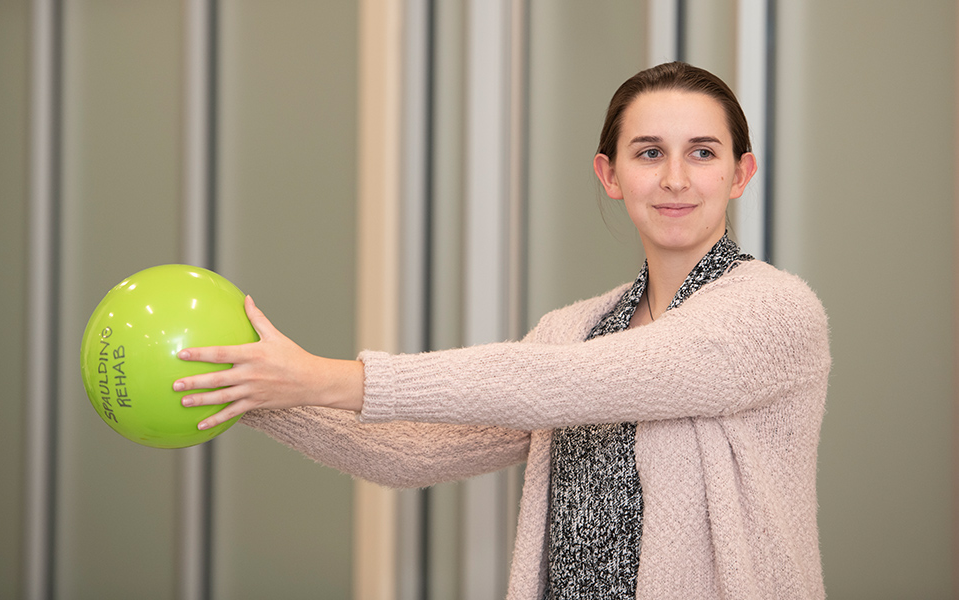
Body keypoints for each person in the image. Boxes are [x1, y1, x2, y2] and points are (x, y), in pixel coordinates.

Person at [171, 62, 830, 599]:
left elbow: (575, 381)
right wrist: (253, 390)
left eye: (703, 153)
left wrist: (324, 376)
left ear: (740, 174)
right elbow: (411, 453)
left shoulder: (775, 311)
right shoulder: (573, 329)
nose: (675, 178)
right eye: (649, 152)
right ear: (610, 175)